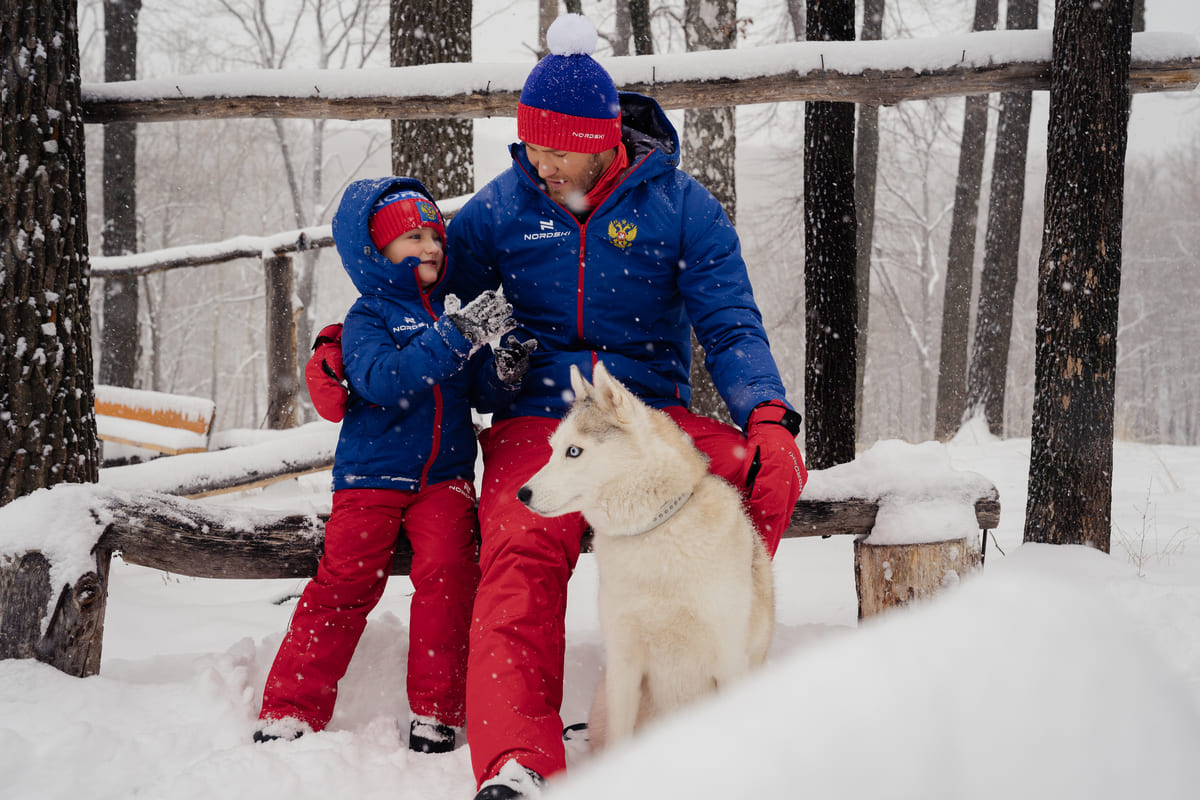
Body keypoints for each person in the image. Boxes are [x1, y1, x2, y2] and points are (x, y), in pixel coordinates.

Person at [443, 15, 808, 800]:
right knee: (519, 545)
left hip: (649, 420)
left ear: (606, 140)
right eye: (530, 146)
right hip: (541, 420)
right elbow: (431, 291)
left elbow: (729, 322)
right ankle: (516, 759)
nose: (538, 163)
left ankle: (685, 685)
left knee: (752, 474)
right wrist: (353, 344)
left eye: (556, 149)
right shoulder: (501, 210)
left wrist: (767, 413)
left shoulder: (680, 207)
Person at [255, 177, 536, 755]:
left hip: (446, 479)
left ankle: (437, 711)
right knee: (344, 584)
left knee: (450, 580)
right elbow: (385, 380)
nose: (432, 245)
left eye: (435, 234)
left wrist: (504, 368)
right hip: (370, 478)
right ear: (377, 251)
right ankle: (291, 706)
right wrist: (454, 336)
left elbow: (474, 393)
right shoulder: (369, 317)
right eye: (413, 235)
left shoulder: (454, 309)